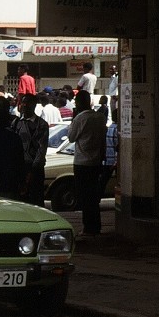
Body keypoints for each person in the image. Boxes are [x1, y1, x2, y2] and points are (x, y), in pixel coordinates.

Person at [68, 90, 106, 236]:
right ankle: (95, 226)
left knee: (84, 196)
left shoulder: (79, 119)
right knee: (93, 196)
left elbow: (71, 138)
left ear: (79, 102)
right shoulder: (100, 117)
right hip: (96, 162)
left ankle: (88, 227)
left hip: (82, 162)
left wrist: (73, 120)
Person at [12, 94, 50, 207]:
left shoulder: (41, 124)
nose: (24, 105)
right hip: (20, 168)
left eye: (27, 103)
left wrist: (33, 169)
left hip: (35, 169)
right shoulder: (16, 123)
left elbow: (42, 148)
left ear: (33, 105)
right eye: (22, 102)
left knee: (36, 200)